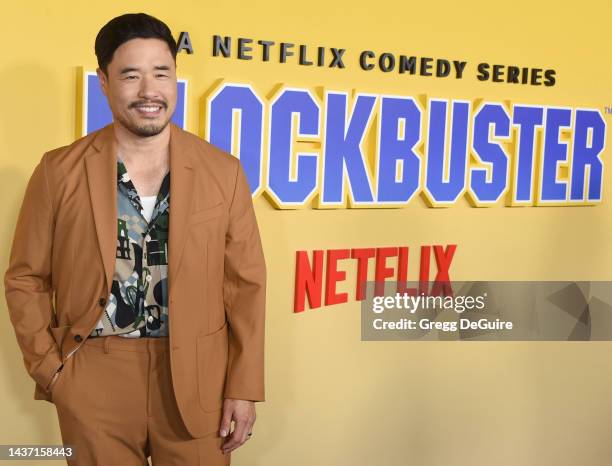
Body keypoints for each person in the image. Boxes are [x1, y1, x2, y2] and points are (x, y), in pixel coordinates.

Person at [3, 12, 266, 466]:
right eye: (131, 75)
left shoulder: (223, 172)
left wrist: (243, 386)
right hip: (94, 374)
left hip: (198, 378)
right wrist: (53, 372)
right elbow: (26, 277)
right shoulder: (57, 170)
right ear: (104, 81)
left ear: (176, 78)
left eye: (161, 73)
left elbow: (245, 285)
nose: (149, 91)